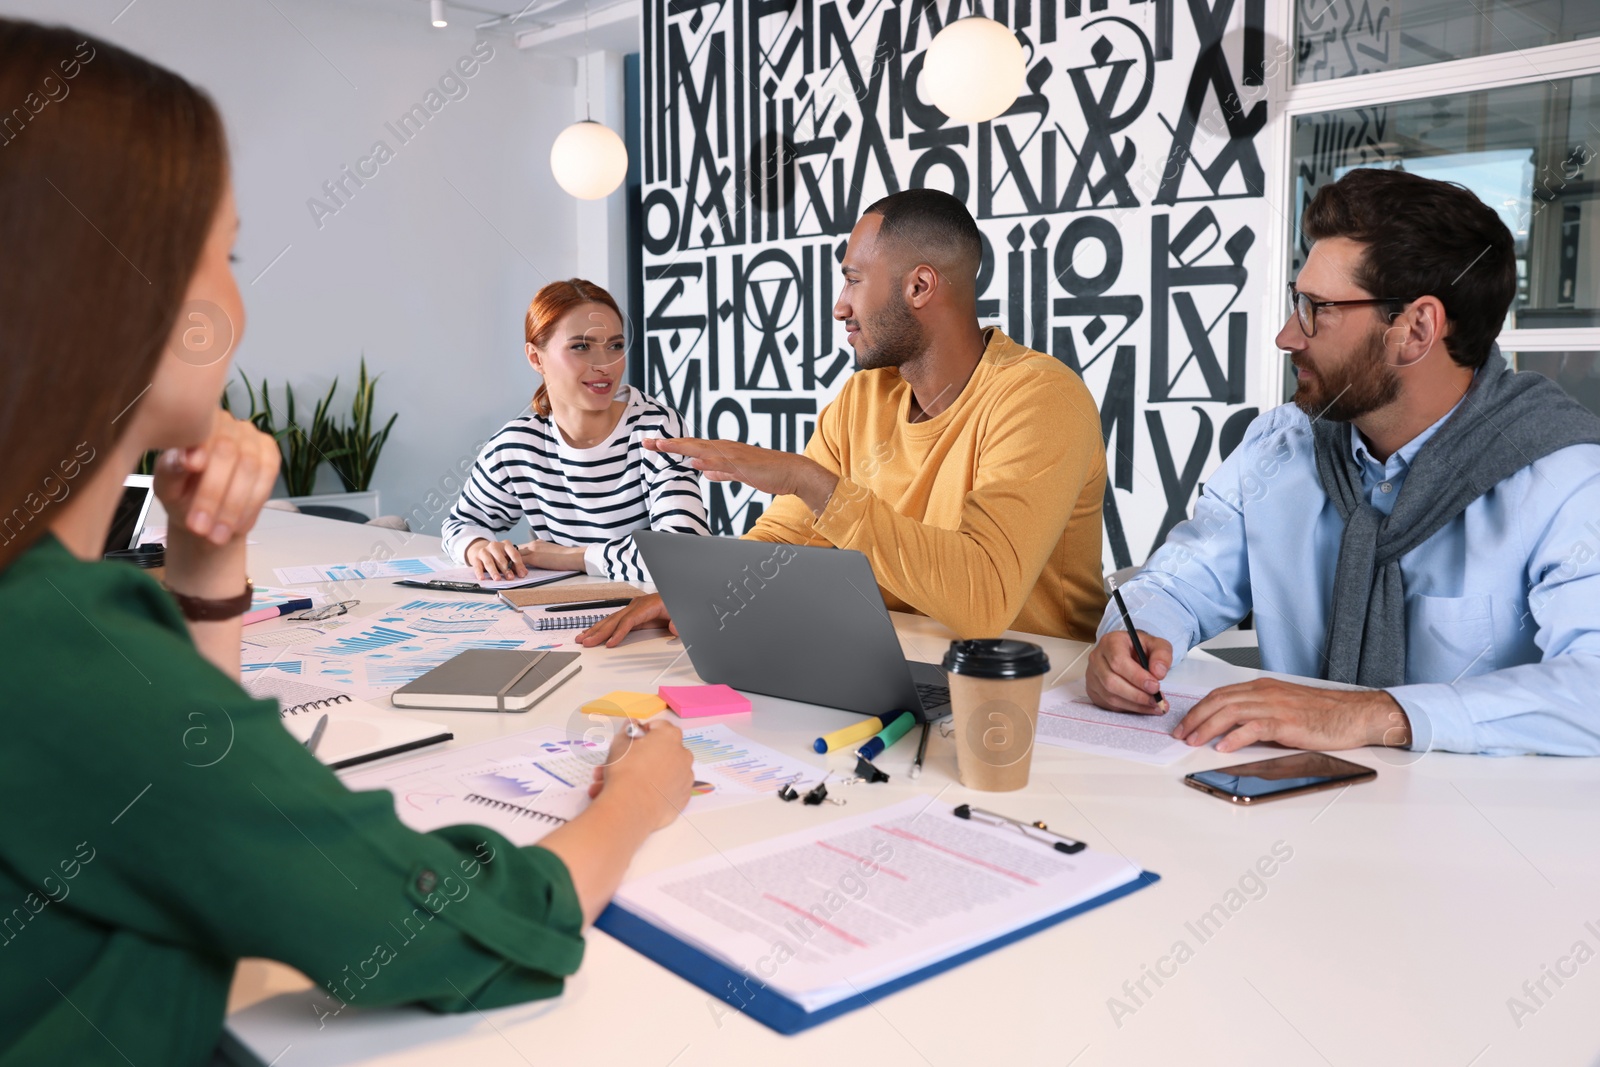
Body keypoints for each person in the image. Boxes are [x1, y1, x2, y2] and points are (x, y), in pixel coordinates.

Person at [0, 21, 692, 1065]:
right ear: (112, 289)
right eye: (223, 253)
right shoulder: (47, 636)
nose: (240, 297)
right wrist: (640, 797)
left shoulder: (655, 432)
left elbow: (185, 785)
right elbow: (454, 926)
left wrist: (207, 560)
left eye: (613, 343)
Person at [1084, 167, 1600, 756]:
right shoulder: (1280, 446)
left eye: (1316, 309)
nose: (1286, 336)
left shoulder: (1566, 479)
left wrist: (1377, 714)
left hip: (1481, 837)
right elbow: (1181, 583)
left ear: (1416, 329)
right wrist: (1138, 636)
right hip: (1283, 815)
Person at [581, 189, 1108, 647]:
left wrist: (809, 481)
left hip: (1037, 695)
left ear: (920, 287)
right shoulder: (864, 395)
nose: (839, 306)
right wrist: (702, 592)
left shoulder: (1039, 398)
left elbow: (984, 598)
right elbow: (788, 543)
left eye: (853, 280)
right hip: (903, 664)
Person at [440, 279, 709, 583]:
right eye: (581, 347)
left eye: (615, 346)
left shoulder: (657, 429)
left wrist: (571, 556)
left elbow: (684, 554)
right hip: (557, 613)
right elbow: (461, 524)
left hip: (647, 614)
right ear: (535, 357)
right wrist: (477, 549)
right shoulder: (517, 446)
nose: (605, 364)